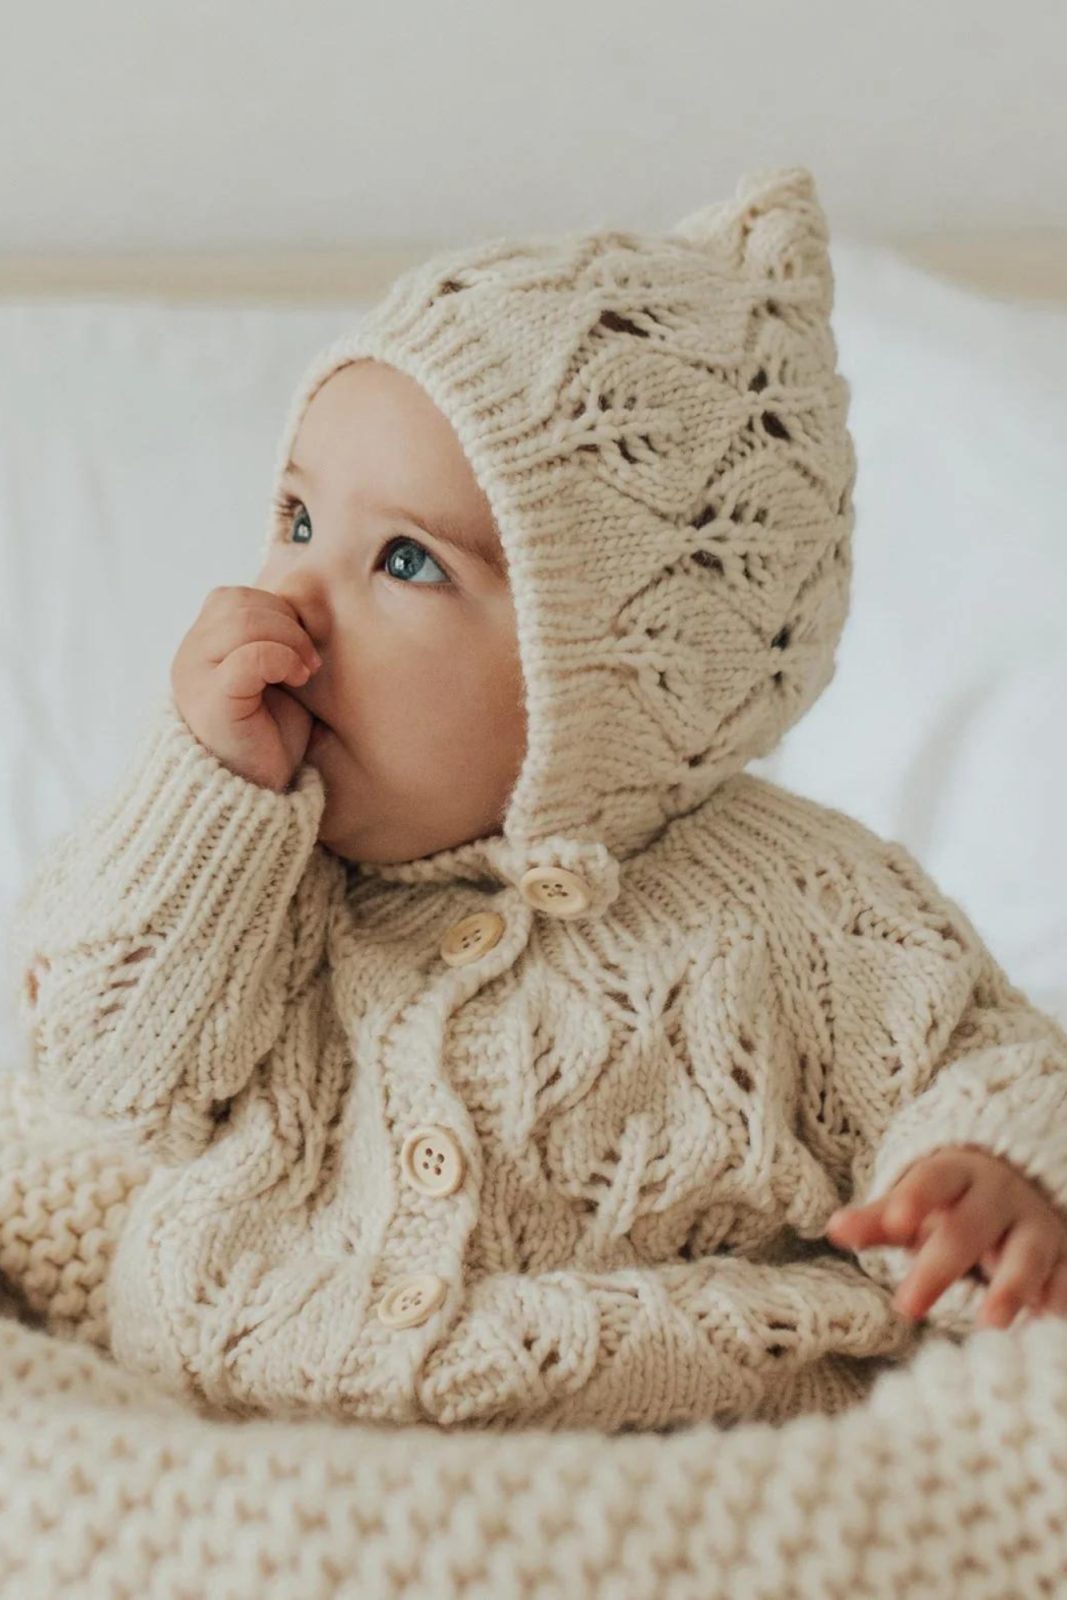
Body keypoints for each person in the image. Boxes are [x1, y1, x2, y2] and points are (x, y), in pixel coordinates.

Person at [8, 165, 1067, 1432]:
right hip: (237, 1397)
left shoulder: (800, 906)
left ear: (612, 668)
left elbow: (986, 1054)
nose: (290, 594)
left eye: (404, 560)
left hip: (641, 1458)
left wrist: (988, 1173)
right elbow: (100, 1062)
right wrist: (208, 796)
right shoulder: (253, 856)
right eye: (293, 516)